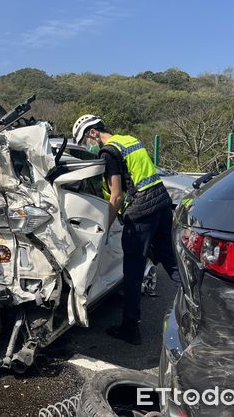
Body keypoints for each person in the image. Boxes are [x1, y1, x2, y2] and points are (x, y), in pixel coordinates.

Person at [72, 114, 181, 345]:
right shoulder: (129, 140)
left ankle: (130, 328)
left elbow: (117, 196)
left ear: (93, 132)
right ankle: (204, 304)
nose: (87, 146)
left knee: (132, 271)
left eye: (85, 140)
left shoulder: (109, 152)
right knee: (170, 259)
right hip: (162, 204)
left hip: (141, 213)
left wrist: (104, 227)